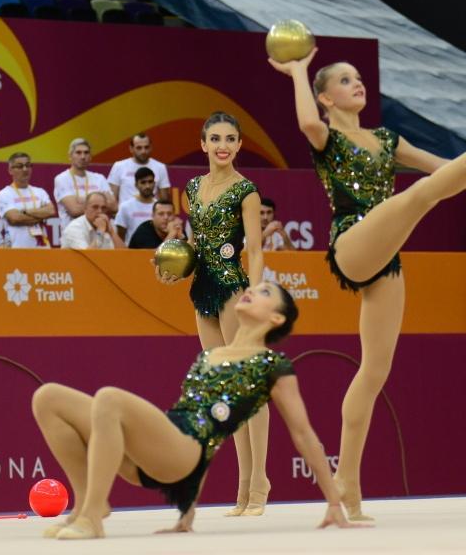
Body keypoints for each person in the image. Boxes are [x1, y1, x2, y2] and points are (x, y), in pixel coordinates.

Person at [271, 52, 466, 520]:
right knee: (418, 196)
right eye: (344, 80)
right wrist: (298, 70)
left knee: (374, 371)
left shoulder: (385, 139)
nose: (357, 84)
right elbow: (303, 121)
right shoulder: (327, 136)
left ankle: (348, 490)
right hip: (352, 243)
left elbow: (443, 168)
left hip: (387, 257)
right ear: (325, 98)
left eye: (358, 78)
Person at [30, 282, 359, 537]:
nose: (250, 291)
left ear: (276, 318)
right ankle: (91, 503)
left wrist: (333, 500)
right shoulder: (208, 356)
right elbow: (196, 416)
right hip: (158, 447)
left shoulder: (271, 366)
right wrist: (186, 516)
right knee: (47, 398)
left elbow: (303, 434)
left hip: (183, 455)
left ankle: (90, 517)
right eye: (253, 287)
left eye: (264, 292)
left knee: (109, 398)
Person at [154, 113, 271, 516]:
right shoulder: (191, 187)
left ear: (239, 146)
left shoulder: (246, 191)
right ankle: (242, 488)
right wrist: (174, 266)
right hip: (201, 292)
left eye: (231, 138)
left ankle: (259, 485)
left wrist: (254, 297)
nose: (223, 144)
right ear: (203, 144)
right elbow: (194, 243)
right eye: (215, 138)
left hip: (233, 291)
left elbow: (254, 250)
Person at [53, 138, 115, 233]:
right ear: (70, 156)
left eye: (86, 153)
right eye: (78, 153)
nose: (83, 156)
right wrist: (100, 202)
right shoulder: (62, 178)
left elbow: (113, 207)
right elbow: (74, 210)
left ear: (90, 157)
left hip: (98, 233)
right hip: (73, 235)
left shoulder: (99, 178)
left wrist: (80, 199)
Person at [0, 153, 56, 247]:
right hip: (18, 250)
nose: (25, 169)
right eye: (20, 166)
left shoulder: (40, 192)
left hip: (42, 249)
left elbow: (51, 211)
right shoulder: (4, 194)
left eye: (28, 165)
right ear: (10, 170)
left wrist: (25, 212)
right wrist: (40, 216)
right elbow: (15, 219)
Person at [108, 132, 172, 203]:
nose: (143, 151)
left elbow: (165, 200)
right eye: (139, 148)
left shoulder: (160, 167)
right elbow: (111, 199)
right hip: (126, 213)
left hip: (151, 213)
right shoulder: (119, 166)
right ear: (131, 148)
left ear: (151, 147)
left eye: (146, 147)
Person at [60, 191, 124, 250]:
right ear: (85, 208)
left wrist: (112, 232)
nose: (100, 211)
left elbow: (125, 256)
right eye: (95, 207)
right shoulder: (74, 228)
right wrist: (100, 231)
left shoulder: (109, 225)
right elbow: (88, 257)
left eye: (103, 208)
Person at [113, 167, 159, 243]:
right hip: (131, 253)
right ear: (136, 185)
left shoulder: (159, 207)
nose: (147, 186)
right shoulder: (126, 207)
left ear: (154, 184)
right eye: (143, 182)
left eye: (150, 182)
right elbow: (120, 236)